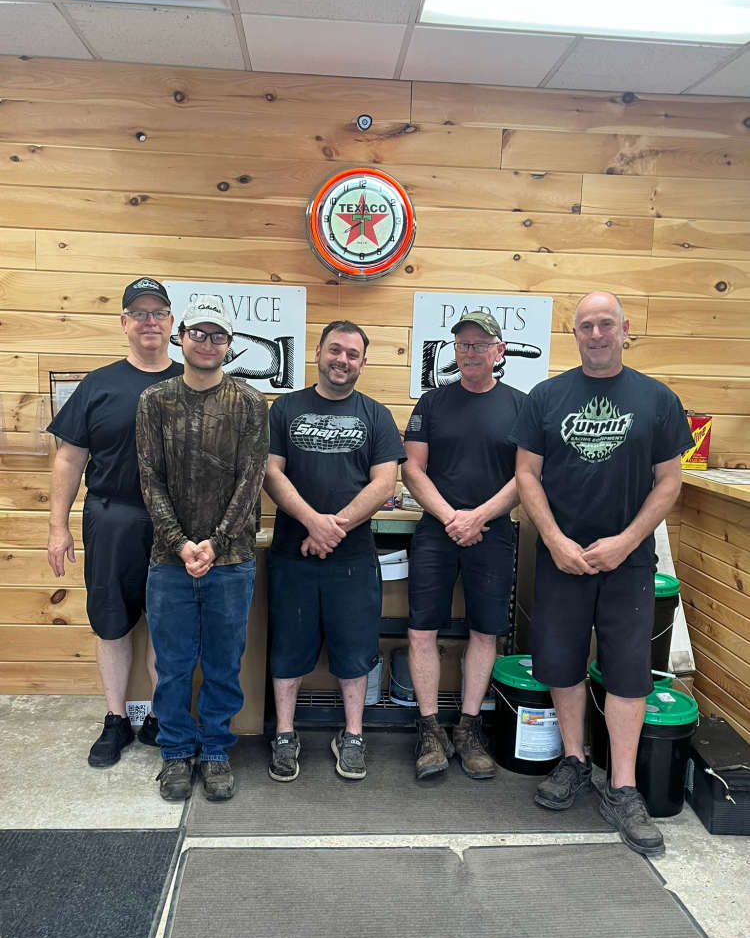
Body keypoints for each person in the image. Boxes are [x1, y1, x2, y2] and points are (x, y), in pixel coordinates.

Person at [511, 290, 694, 856]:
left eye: (606, 324)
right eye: (586, 325)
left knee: (628, 675)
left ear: (625, 328)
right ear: (575, 334)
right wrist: (555, 541)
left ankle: (623, 788)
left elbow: (670, 481)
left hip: (629, 563)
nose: (596, 334)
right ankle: (573, 761)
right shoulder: (545, 397)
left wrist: (626, 541)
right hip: (562, 558)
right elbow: (526, 475)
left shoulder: (658, 399)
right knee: (562, 665)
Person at [136, 295, 268, 802]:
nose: (207, 343)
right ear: (181, 336)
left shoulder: (250, 403)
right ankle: (174, 753)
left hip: (230, 562)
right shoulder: (154, 401)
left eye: (217, 336)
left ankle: (214, 750)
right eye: (198, 333)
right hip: (169, 561)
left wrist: (215, 542)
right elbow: (150, 478)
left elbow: (250, 481)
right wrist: (181, 543)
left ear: (229, 344)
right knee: (172, 667)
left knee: (222, 665)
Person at [47, 277, 183, 768]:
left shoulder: (192, 382)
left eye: (158, 312)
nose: (150, 321)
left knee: (167, 627)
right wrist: (57, 527)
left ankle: (163, 718)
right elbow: (69, 458)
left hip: (176, 527)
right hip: (111, 518)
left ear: (172, 323)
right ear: (124, 322)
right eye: (139, 313)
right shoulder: (98, 385)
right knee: (111, 623)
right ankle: (116, 719)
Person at [264, 321, 404, 783]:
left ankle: (354, 735)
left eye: (352, 354)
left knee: (355, 650)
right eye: (335, 350)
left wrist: (332, 528)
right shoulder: (284, 409)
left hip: (353, 558)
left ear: (363, 362)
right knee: (287, 647)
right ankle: (285, 733)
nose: (343, 360)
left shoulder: (376, 415)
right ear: (319, 353)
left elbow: (385, 484)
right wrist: (312, 522)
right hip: (292, 554)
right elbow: (271, 473)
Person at [402, 311, 525, 780]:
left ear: (499, 351)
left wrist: (478, 516)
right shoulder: (432, 403)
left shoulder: (521, 406)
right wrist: (452, 517)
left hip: (493, 532)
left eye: (480, 344)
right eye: (463, 345)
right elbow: (412, 469)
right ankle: (430, 729)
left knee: (485, 632)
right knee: (421, 630)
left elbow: (526, 476)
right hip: (437, 531)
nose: (470, 352)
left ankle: (468, 728)